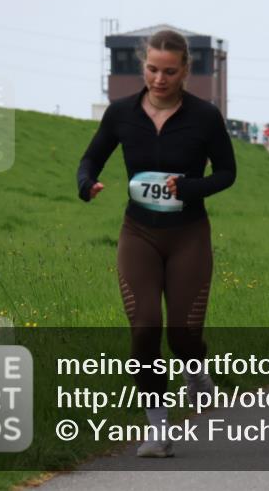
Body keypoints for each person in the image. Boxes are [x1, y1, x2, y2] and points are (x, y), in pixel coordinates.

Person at [77, 29, 237, 458]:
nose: (159, 79)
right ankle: (159, 429)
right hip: (139, 234)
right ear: (142, 65)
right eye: (152, 69)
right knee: (145, 329)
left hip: (188, 236)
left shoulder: (204, 116)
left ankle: (197, 371)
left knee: (183, 335)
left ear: (185, 70)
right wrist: (86, 182)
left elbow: (226, 173)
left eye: (169, 71)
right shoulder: (121, 113)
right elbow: (92, 157)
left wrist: (188, 188)